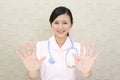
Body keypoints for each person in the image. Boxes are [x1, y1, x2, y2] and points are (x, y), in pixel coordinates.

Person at [16, 6, 100, 80]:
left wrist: (86, 71)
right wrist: (32, 70)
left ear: (71, 24)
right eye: (56, 22)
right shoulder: (40, 46)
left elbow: (87, 75)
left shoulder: (79, 48)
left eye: (65, 23)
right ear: (51, 24)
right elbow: (32, 76)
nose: (60, 27)